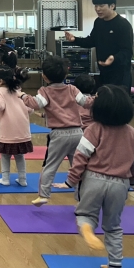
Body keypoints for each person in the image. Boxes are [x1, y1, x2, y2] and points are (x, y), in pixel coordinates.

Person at [54, 85, 134, 268]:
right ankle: (116, 266)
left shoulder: (94, 130)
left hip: (94, 179)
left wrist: (70, 181)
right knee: (113, 226)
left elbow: (80, 158)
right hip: (120, 183)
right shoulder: (133, 133)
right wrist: (133, 180)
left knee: (86, 213)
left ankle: (87, 227)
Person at [21, 56, 93, 206]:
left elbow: (35, 104)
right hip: (78, 133)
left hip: (59, 134)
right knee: (79, 166)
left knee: (50, 166)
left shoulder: (45, 91)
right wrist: (98, 98)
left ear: (44, 76)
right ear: (66, 75)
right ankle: (82, 199)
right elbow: (86, 103)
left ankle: (43, 195)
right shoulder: (72, 89)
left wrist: (22, 95)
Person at [64, 0, 134, 89]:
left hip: (120, 74)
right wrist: (74, 39)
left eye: (101, 6)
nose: (97, 9)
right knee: (103, 101)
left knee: (118, 102)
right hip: (103, 71)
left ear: (112, 6)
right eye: (96, 6)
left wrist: (114, 58)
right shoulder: (98, 22)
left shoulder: (123, 25)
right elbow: (92, 41)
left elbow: (127, 52)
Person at [0, 65, 33, 186]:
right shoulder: (18, 90)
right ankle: (23, 179)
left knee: (5, 155)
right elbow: (29, 108)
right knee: (20, 155)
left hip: (8, 129)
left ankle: (5, 179)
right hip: (22, 129)